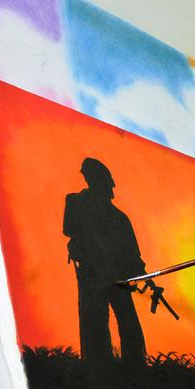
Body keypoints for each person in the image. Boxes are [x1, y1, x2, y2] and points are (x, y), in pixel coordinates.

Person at [62, 157, 147, 369]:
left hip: (117, 276)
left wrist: (140, 273)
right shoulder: (75, 202)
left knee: (128, 322)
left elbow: (132, 252)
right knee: (94, 322)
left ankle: (135, 365)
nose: (108, 186)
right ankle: (98, 365)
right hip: (92, 274)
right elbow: (69, 229)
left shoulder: (119, 217)